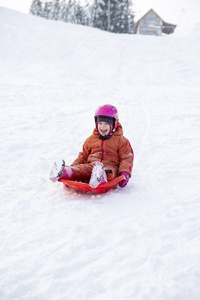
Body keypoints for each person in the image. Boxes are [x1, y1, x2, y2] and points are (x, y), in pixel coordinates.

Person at [50, 104, 134, 188]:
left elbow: (126, 158)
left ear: (114, 124)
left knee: (109, 172)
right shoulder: (91, 139)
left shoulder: (121, 141)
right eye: (100, 123)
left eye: (106, 124)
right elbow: (83, 156)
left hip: (110, 167)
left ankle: (100, 177)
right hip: (92, 165)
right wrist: (73, 166)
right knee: (82, 169)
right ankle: (65, 172)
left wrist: (124, 173)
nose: (102, 127)